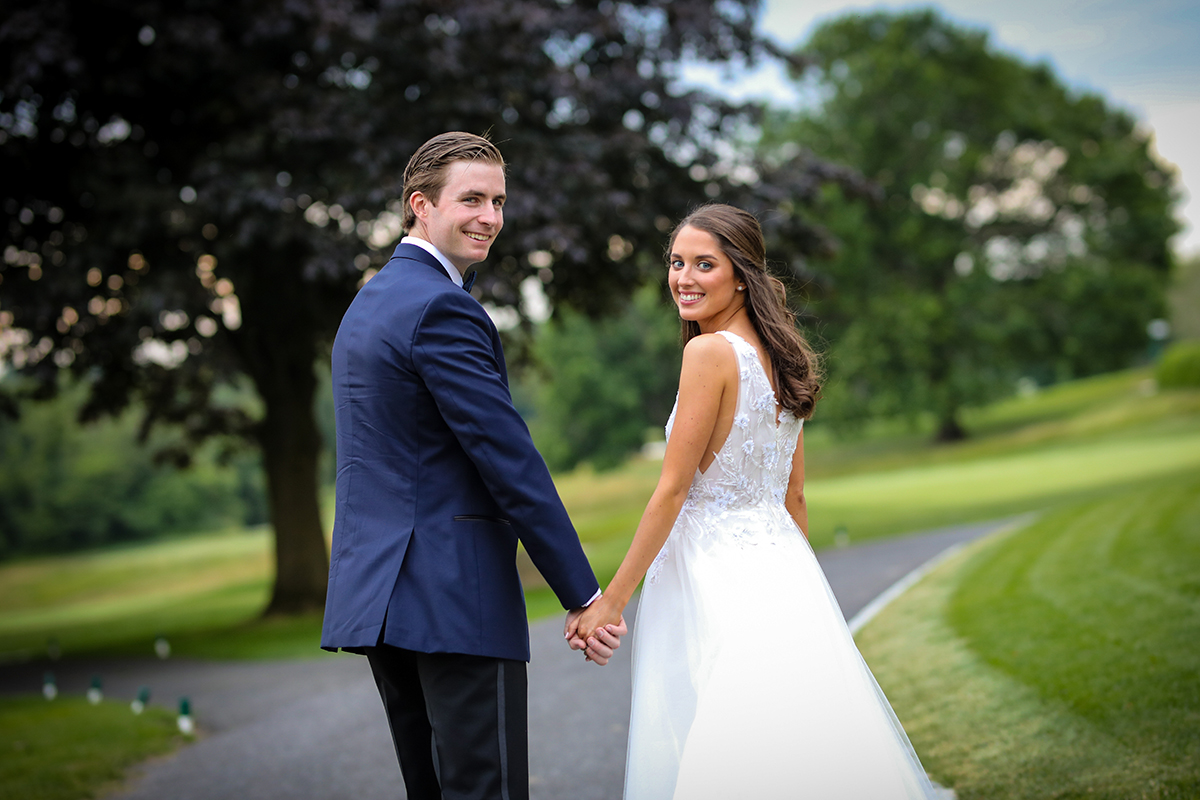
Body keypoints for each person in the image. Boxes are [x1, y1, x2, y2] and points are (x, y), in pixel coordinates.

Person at [569, 204, 938, 798]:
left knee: (725, 744)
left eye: (703, 264)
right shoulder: (780, 356)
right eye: (676, 262)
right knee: (797, 743)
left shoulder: (708, 353)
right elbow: (793, 498)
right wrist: (799, 591)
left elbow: (673, 488)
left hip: (711, 576)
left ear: (741, 274)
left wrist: (612, 600)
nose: (683, 278)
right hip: (784, 572)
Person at [321, 131, 625, 800]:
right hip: (452, 596)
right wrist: (582, 593)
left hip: (380, 600)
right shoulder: (442, 309)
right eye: (472, 199)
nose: (490, 217)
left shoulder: (367, 305)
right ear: (420, 205)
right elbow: (507, 460)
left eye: (499, 201)